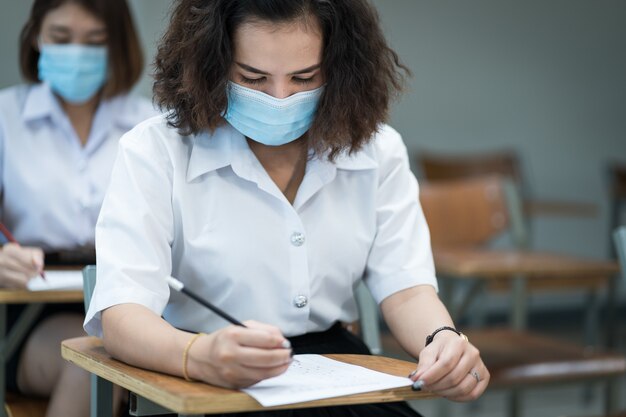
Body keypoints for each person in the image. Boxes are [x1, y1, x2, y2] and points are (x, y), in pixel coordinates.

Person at [85, 0, 489, 416]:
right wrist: (200, 354)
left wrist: (441, 338)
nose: (280, 98)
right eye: (252, 78)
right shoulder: (154, 151)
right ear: (212, 65)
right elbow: (122, 316)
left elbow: (406, 292)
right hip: (195, 366)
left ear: (338, 67)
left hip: (334, 372)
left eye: (304, 77)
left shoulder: (378, 150)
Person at [0, 0, 156, 416]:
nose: (77, 53)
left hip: (135, 300)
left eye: (95, 41)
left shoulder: (152, 125)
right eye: (61, 38)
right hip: (30, 311)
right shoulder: (5, 118)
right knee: (94, 364)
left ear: (118, 45)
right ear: (35, 37)